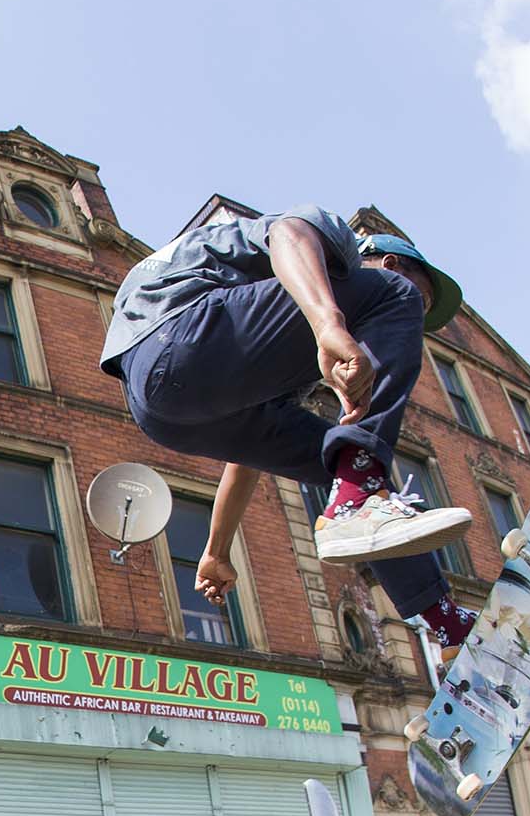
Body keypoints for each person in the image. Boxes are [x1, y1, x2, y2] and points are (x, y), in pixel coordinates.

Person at [102, 206, 480, 656]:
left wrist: (217, 549)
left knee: (349, 466)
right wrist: (329, 324)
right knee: (391, 306)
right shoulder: (334, 244)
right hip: (179, 336)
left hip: (165, 412)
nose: (409, 327)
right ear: (391, 262)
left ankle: (444, 620)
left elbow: (247, 455)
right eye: (422, 306)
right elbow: (289, 231)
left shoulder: (270, 339)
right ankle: (357, 495)